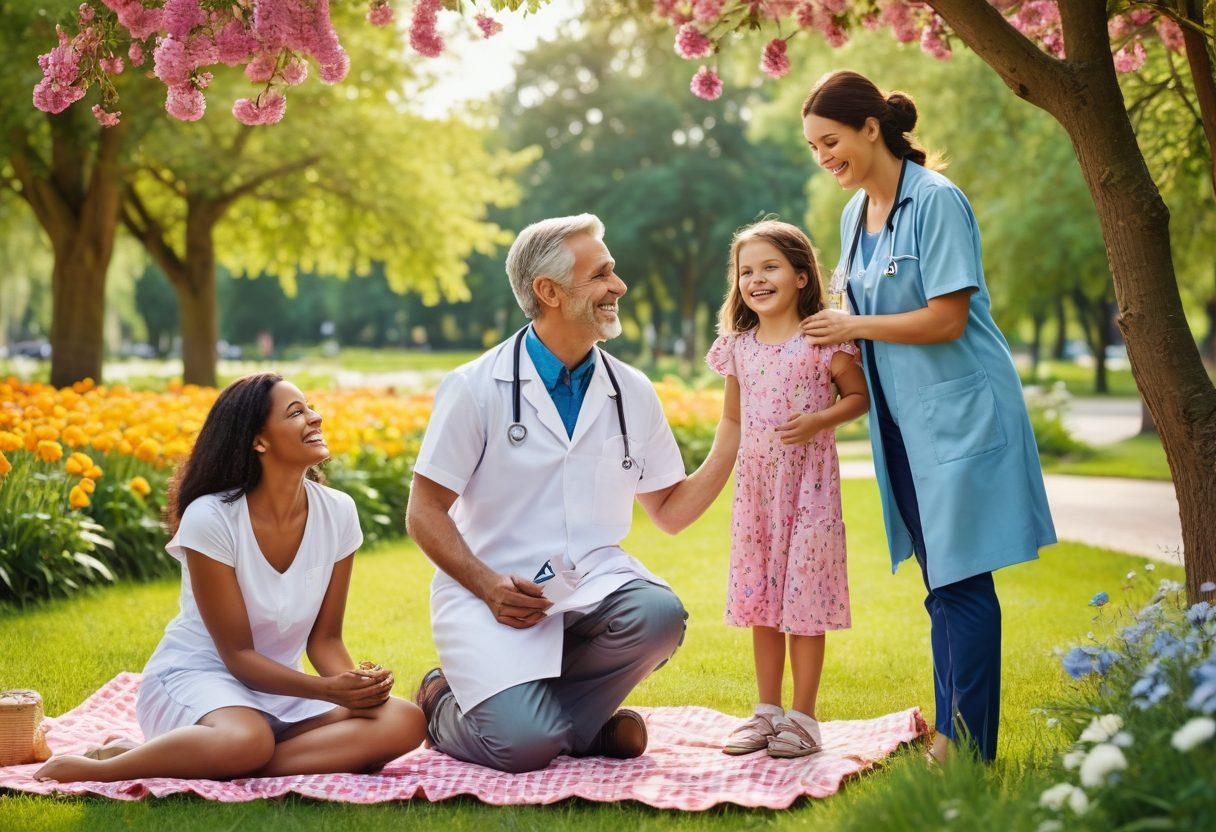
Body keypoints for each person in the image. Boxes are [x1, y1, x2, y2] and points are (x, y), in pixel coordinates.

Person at [406, 214, 739, 773]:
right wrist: (486, 585)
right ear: (549, 291)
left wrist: (734, 432)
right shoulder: (474, 388)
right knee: (521, 748)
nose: (619, 286)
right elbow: (424, 511)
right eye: (602, 274)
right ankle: (442, 703)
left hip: (590, 586)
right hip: (494, 591)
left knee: (658, 615)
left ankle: (567, 724)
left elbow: (670, 511)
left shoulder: (631, 390)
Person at [800, 71, 1056, 763]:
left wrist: (854, 324)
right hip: (901, 422)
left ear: (871, 129)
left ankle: (965, 747)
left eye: (831, 142)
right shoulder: (855, 216)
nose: (824, 158)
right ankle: (952, 734)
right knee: (939, 583)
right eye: (814, 148)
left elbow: (947, 319)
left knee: (961, 579)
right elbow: (856, 316)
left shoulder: (936, 200)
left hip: (960, 413)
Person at [35, 373, 424, 783]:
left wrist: (356, 689)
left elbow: (325, 640)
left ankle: (217, 760)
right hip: (199, 678)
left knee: (403, 720)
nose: (315, 417)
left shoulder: (338, 512)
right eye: (296, 412)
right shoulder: (211, 517)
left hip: (283, 689)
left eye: (310, 408)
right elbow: (237, 654)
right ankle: (106, 768)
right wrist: (327, 692)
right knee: (246, 740)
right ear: (259, 441)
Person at [705, 220, 869, 758]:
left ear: (801, 276)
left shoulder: (822, 339)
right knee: (761, 600)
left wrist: (818, 421)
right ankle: (766, 711)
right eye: (746, 271)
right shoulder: (737, 348)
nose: (756, 279)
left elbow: (858, 397)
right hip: (757, 494)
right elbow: (733, 418)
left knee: (805, 598)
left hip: (809, 491)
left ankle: (803, 717)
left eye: (770, 267)